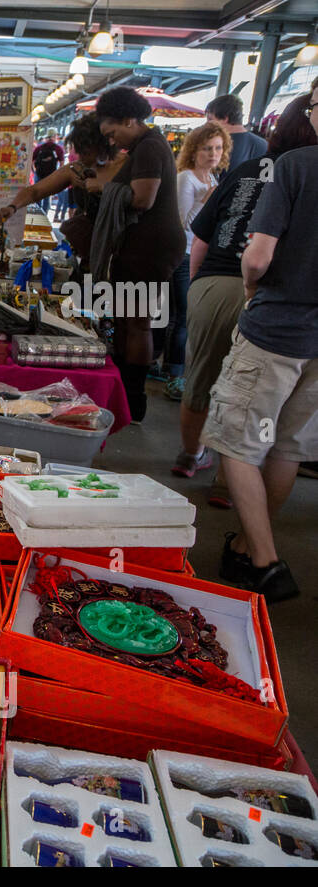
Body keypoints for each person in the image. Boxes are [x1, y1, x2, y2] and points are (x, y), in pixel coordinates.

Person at [197, 82, 318, 603]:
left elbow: (258, 256)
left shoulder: (295, 166)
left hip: (275, 331)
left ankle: (266, 562)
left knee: (238, 443)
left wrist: (250, 293)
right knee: (285, 445)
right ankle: (249, 543)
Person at [172, 92, 317, 503]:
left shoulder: (253, 169)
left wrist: (200, 285)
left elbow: (206, 235)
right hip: (284, 305)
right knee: (270, 416)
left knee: (202, 376)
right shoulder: (302, 170)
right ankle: (226, 487)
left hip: (225, 283)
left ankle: (189, 455)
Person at [94, 87, 185, 424]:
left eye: (113, 131)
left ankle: (133, 399)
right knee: (128, 320)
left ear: (129, 119)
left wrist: (102, 189)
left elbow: (143, 199)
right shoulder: (145, 146)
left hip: (150, 248)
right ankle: (128, 394)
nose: (113, 140)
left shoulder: (148, 148)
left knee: (137, 323)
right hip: (144, 246)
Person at [0, 114, 120, 270]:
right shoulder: (76, 169)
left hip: (117, 254)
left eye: (86, 152)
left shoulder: (124, 167)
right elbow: (35, 191)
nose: (81, 157)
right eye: (79, 151)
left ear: (102, 145)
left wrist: (104, 188)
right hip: (85, 252)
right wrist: (12, 207)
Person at [162, 122, 231, 398]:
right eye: (206, 148)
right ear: (194, 150)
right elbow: (181, 224)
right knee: (184, 316)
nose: (213, 154)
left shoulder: (212, 179)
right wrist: (206, 201)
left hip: (202, 254)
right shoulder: (186, 178)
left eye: (217, 148)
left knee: (183, 315)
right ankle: (174, 373)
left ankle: (174, 367)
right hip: (183, 252)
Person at [205, 94, 268, 170]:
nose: (207, 124)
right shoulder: (264, 144)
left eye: (210, 119)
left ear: (225, 118)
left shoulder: (217, 145)